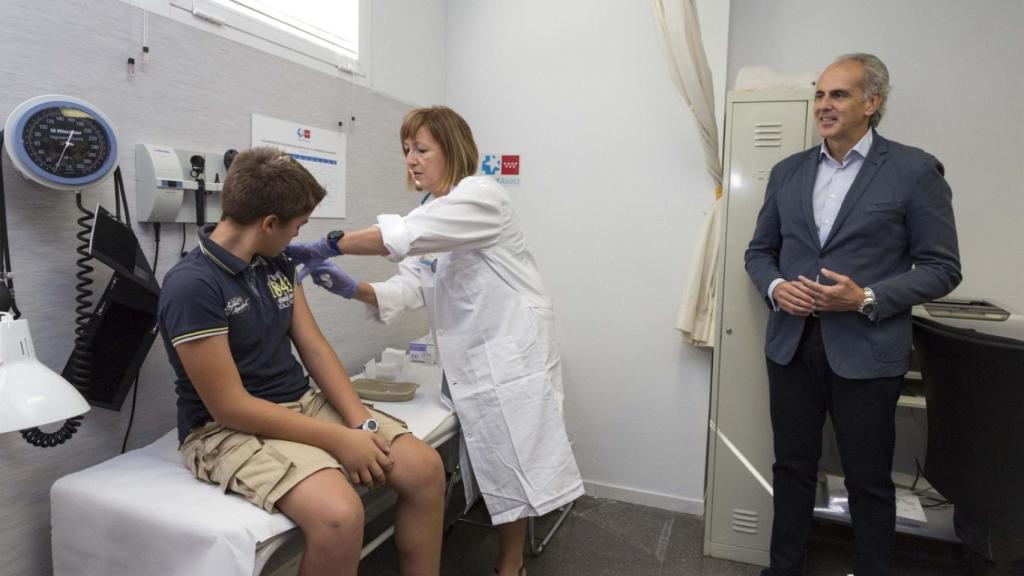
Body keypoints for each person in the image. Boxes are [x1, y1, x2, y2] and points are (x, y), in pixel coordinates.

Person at [287, 106, 584, 576]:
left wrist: (328, 244)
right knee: (499, 458)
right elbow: (408, 287)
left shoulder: (480, 196)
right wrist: (350, 288)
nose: (411, 159)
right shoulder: (429, 211)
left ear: (452, 149)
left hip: (510, 354)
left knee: (516, 457)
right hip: (474, 358)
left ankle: (511, 566)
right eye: (406, 150)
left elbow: (401, 238)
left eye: (422, 149)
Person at [156, 147, 445, 576]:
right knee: (339, 515)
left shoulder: (275, 262)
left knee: (424, 469)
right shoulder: (192, 286)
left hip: (300, 402)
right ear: (269, 223)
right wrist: (338, 441)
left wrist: (359, 424)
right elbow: (229, 406)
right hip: (223, 429)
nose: (296, 237)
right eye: (296, 227)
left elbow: (314, 348)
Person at [745, 53, 961, 576]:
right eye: (819, 94)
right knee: (792, 469)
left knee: (867, 480)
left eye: (838, 95)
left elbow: (942, 267)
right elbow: (759, 252)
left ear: (873, 103)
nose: (824, 105)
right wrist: (776, 287)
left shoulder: (913, 170)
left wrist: (865, 297)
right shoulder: (788, 171)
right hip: (792, 345)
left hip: (866, 349)